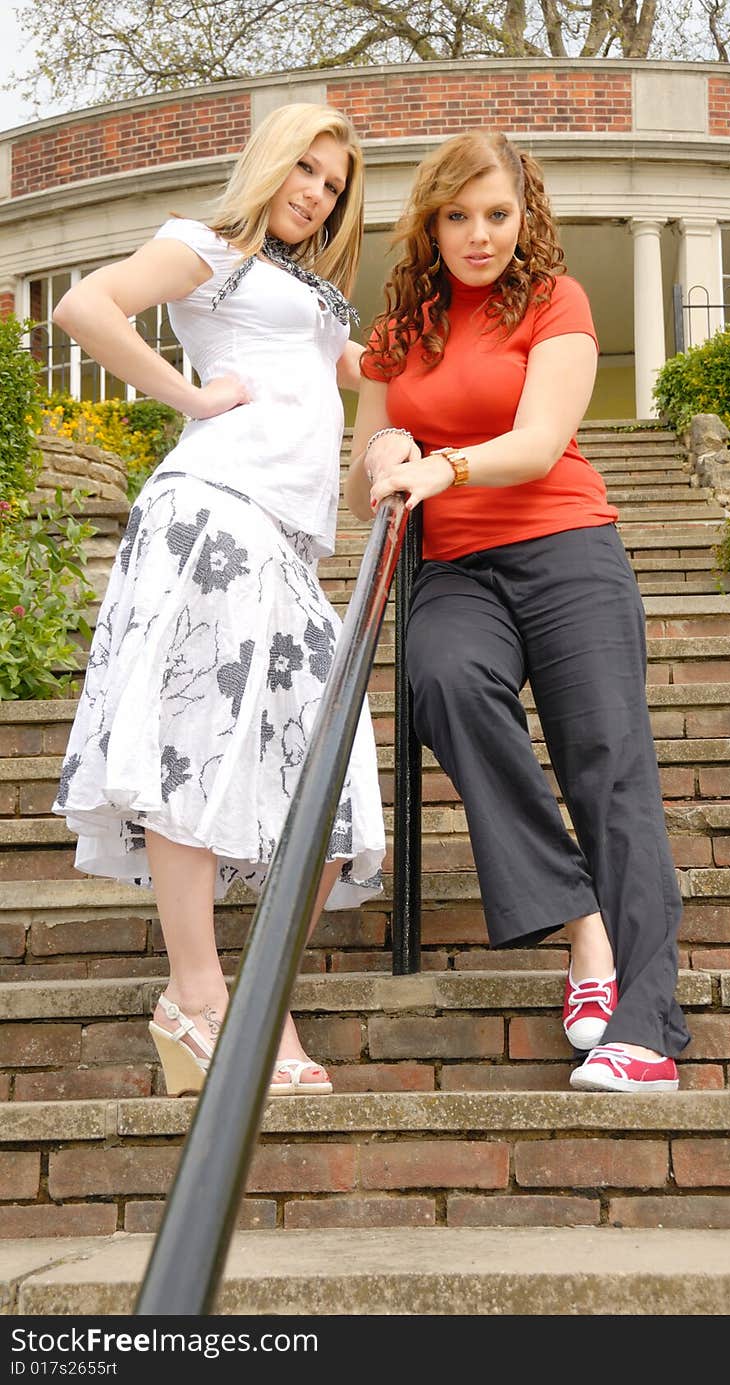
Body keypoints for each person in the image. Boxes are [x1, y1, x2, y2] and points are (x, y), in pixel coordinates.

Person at [51, 103, 384, 1098]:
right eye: (305, 170)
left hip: (282, 544)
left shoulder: (310, 289)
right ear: (270, 162)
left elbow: (375, 373)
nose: (315, 193)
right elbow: (84, 307)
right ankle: (202, 998)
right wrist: (194, 398)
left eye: (331, 184)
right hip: (211, 514)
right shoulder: (208, 247)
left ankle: (257, 997)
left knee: (332, 780)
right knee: (192, 744)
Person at [348, 130, 689, 1092]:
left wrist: (438, 464)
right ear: (431, 221)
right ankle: (585, 925)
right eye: (457, 216)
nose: (478, 235)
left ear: (524, 214)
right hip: (456, 569)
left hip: (566, 549)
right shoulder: (399, 326)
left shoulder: (555, 300)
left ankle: (646, 1027)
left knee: (607, 769)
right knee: (441, 679)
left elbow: (540, 444)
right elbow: (361, 474)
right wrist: (381, 460)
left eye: (497, 214)